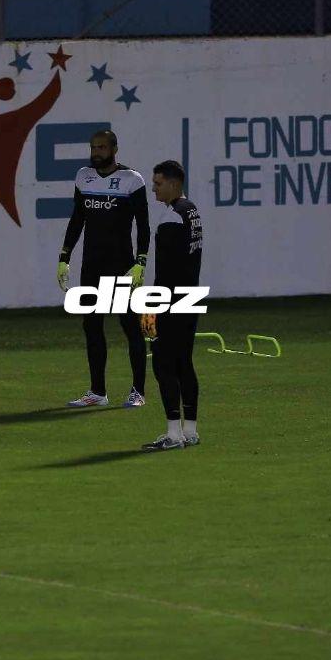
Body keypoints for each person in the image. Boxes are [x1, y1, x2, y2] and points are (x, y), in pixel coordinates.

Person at [57, 129, 150, 408]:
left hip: (121, 265)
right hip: (91, 266)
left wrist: (140, 262)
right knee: (92, 325)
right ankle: (97, 392)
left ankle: (138, 392)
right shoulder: (83, 176)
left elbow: (143, 225)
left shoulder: (132, 180)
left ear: (114, 149)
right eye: (93, 147)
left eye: (101, 147)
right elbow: (77, 220)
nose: (96, 152)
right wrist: (64, 256)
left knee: (129, 325)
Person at [143, 160, 204, 451]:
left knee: (163, 364)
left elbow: (164, 271)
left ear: (173, 184)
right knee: (184, 363)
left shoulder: (170, 218)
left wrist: (151, 307)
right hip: (191, 296)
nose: (153, 189)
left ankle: (173, 434)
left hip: (172, 300)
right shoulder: (191, 210)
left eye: (157, 184)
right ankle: (189, 430)